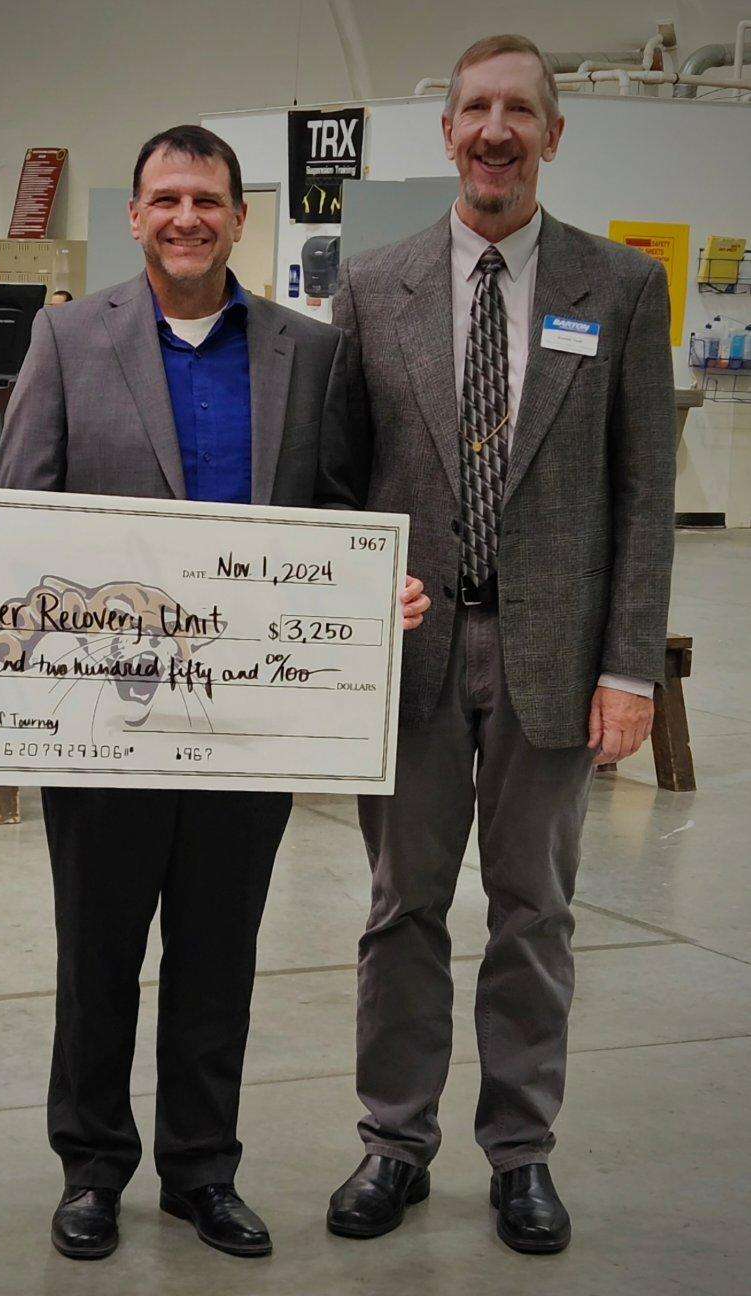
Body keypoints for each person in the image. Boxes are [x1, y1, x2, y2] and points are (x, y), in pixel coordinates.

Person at [0, 124, 428, 1263]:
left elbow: (338, 518)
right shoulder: (65, 336)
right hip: (103, 719)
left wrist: (367, 597)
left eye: (208, 200)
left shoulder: (307, 350)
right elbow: (20, 517)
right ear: (134, 215)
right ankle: (91, 1169)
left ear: (243, 218)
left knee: (217, 951)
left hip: (249, 721)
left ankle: (202, 1169)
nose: (186, 217)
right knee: (96, 954)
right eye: (165, 198)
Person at [325, 35, 676, 1255]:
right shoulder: (374, 287)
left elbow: (642, 493)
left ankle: (521, 1153)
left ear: (552, 134)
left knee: (533, 914)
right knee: (399, 910)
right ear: (446, 131)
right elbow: (339, 486)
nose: (494, 129)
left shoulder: (620, 287)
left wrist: (628, 669)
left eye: (519, 110)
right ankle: (393, 1143)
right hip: (414, 660)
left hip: (554, 667)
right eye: (474, 106)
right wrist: (342, 625)